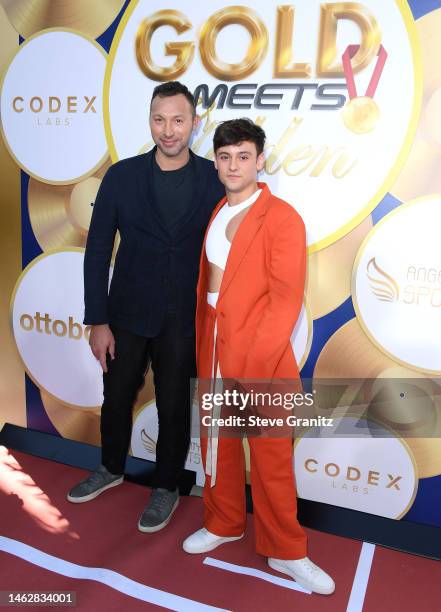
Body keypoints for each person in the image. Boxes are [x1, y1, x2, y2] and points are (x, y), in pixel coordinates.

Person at [182, 119, 335, 595]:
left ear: (260, 160)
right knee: (218, 448)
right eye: (225, 157)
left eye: (243, 156)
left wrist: (253, 366)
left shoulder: (282, 217)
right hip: (213, 347)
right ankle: (224, 521)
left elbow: (285, 302)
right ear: (215, 162)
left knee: (270, 462)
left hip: (262, 359)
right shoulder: (215, 212)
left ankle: (288, 551)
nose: (233, 165)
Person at [67, 81, 224, 533]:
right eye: (160, 119)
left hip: (183, 320)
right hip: (126, 314)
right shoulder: (122, 176)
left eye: (178, 120)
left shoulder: (214, 178)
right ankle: (110, 467)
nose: (168, 130)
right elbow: (97, 250)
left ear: (194, 123)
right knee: (115, 397)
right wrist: (97, 319)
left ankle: (167, 486)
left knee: (175, 405)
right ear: (149, 121)